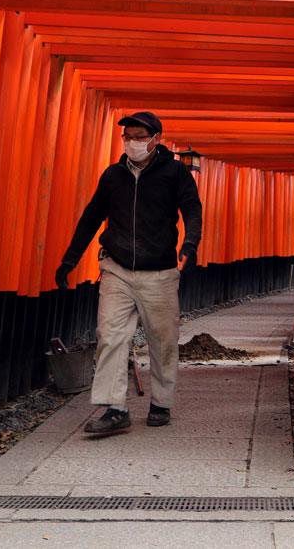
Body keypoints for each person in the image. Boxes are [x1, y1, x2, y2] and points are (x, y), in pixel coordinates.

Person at [55, 112, 202, 434]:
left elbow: (192, 209)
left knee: (162, 340)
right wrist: (70, 259)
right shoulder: (113, 176)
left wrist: (190, 245)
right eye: (127, 137)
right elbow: (92, 216)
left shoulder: (175, 173)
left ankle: (161, 402)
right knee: (110, 336)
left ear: (155, 139)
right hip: (117, 268)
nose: (132, 142)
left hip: (159, 272)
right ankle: (114, 408)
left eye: (138, 136)